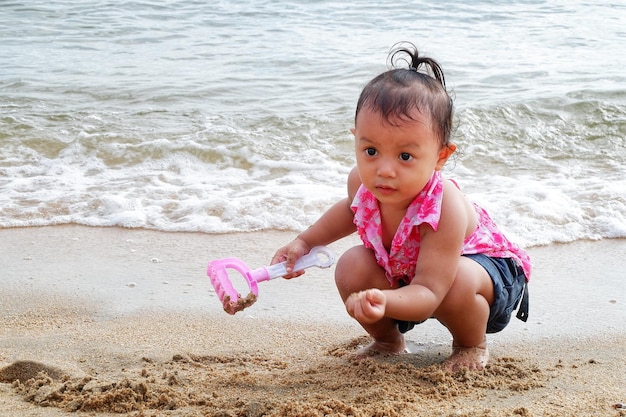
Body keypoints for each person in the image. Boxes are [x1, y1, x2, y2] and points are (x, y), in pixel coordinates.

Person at [271, 43, 531, 372]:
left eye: (405, 156)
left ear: (440, 157)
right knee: (351, 266)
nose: (385, 170)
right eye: (370, 150)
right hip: (413, 275)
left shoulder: (444, 204)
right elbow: (351, 212)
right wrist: (305, 243)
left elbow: (431, 291)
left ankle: (471, 344)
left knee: (458, 283)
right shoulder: (363, 183)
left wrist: (384, 300)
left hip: (481, 275)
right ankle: (388, 342)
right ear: (355, 138)